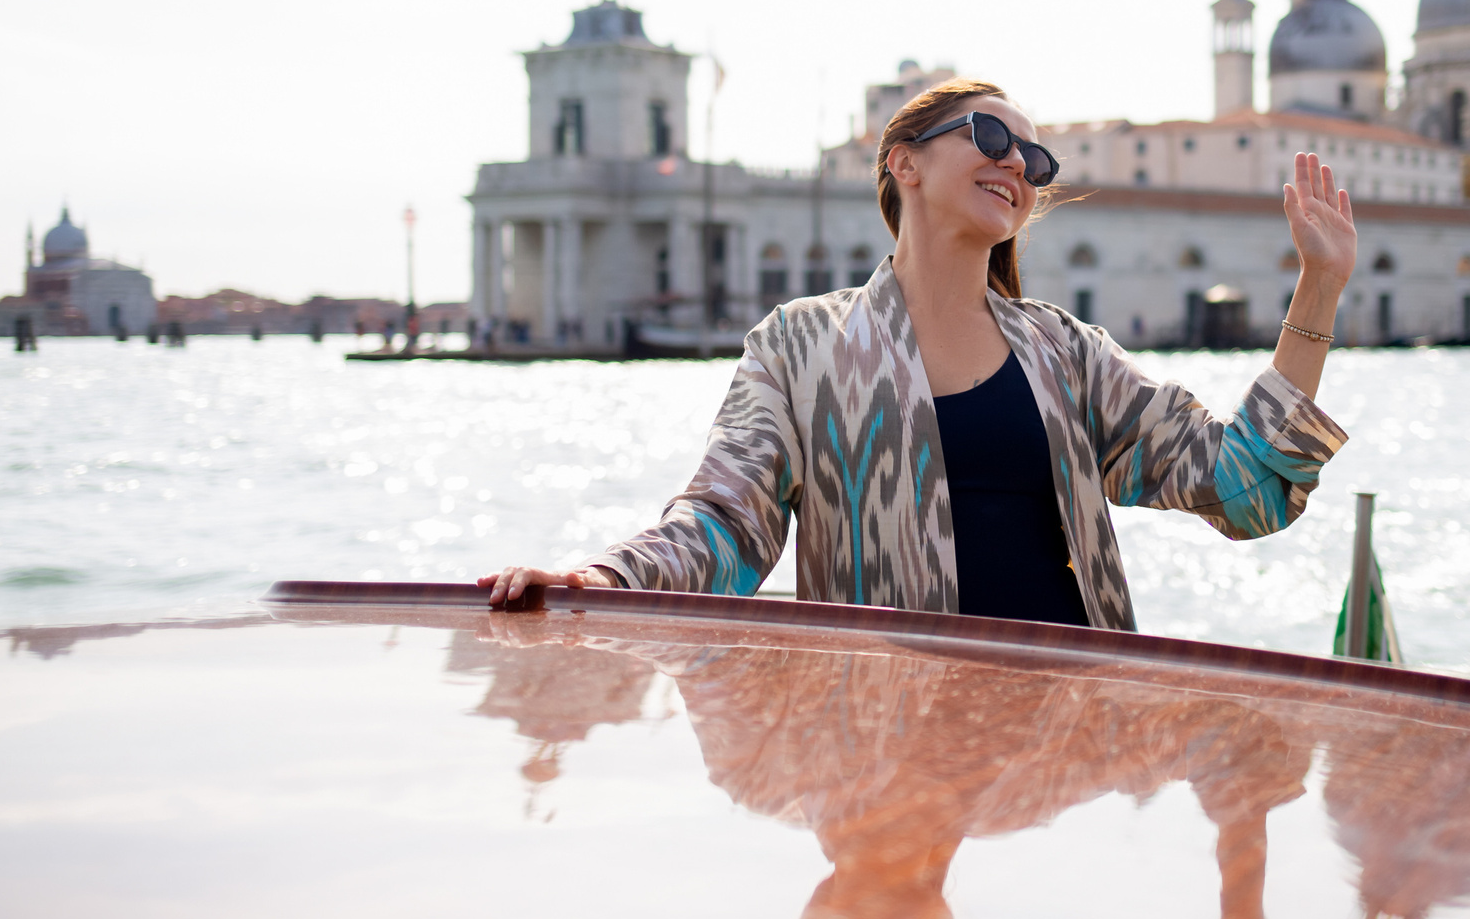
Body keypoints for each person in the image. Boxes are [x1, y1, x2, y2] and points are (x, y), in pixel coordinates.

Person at [481, 78, 1356, 627]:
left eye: (1035, 157)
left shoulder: (1067, 354)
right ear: (903, 162)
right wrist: (602, 579)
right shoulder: (800, 344)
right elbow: (723, 523)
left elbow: (1247, 491)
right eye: (990, 137)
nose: (1018, 162)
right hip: (885, 750)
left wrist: (1317, 285)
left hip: (1069, 754)